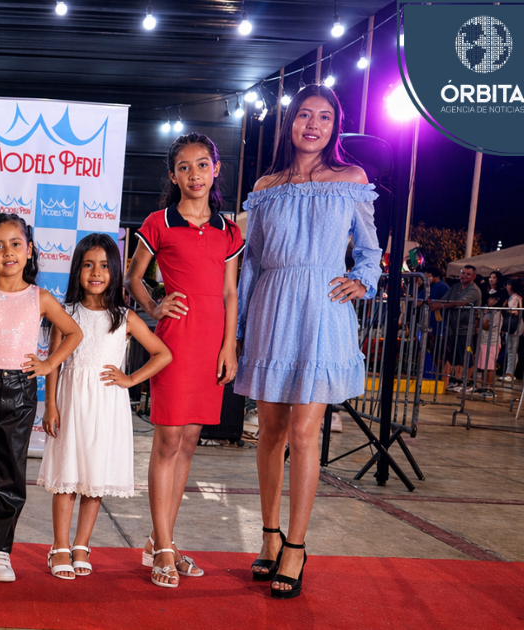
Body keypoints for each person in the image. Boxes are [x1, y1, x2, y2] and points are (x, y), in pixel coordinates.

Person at [237, 85, 382, 599]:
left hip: (322, 309)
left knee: (304, 432)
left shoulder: (350, 179)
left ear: (335, 126)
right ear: (290, 122)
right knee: (270, 431)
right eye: (304, 114)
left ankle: (296, 546)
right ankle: (269, 535)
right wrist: (240, 328)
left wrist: (362, 281)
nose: (313, 124)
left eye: (324, 116)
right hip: (271, 309)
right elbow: (252, 263)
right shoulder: (265, 186)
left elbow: (370, 250)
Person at [125, 133, 244, 588]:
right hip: (175, 343)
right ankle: (163, 548)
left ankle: (161, 542)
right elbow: (134, 278)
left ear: (216, 169)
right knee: (168, 441)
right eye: (184, 167)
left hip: (212, 344)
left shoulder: (229, 230)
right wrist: (155, 307)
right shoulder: (158, 223)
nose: (194, 174)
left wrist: (229, 346)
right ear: (173, 175)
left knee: (190, 441)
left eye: (202, 165)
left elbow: (230, 293)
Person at [0, 212, 83, 583]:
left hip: (20, 393)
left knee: (10, 473)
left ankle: (0, 549)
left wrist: (47, 364)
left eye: (15, 244)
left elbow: (73, 333)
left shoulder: (39, 298)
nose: (7, 252)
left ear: (29, 250)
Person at [40, 234, 171, 581]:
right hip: (71, 404)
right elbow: (53, 364)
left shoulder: (124, 317)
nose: (96, 273)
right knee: (67, 478)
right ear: (77, 270)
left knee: (94, 480)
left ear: (114, 271)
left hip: (106, 407)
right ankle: (60, 545)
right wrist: (50, 405)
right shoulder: (65, 313)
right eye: (88, 265)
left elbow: (163, 353)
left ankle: (82, 545)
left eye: (103, 266)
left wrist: (131, 379)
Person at [430, 265, 482, 393]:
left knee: (466, 356)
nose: (464, 276)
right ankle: (451, 382)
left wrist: (441, 305)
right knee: (450, 355)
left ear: (474, 276)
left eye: (468, 274)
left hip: (465, 328)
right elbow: (444, 300)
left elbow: (461, 303)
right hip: (451, 327)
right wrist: (440, 304)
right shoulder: (455, 287)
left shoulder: (474, 290)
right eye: (463, 273)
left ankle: (465, 382)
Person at [504, 279, 524, 382]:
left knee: (512, 348)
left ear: (510, 286)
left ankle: (510, 373)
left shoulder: (515, 298)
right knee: (512, 348)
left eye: (508, 284)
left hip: (514, 325)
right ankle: (510, 372)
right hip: (516, 324)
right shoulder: (517, 297)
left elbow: (514, 312)